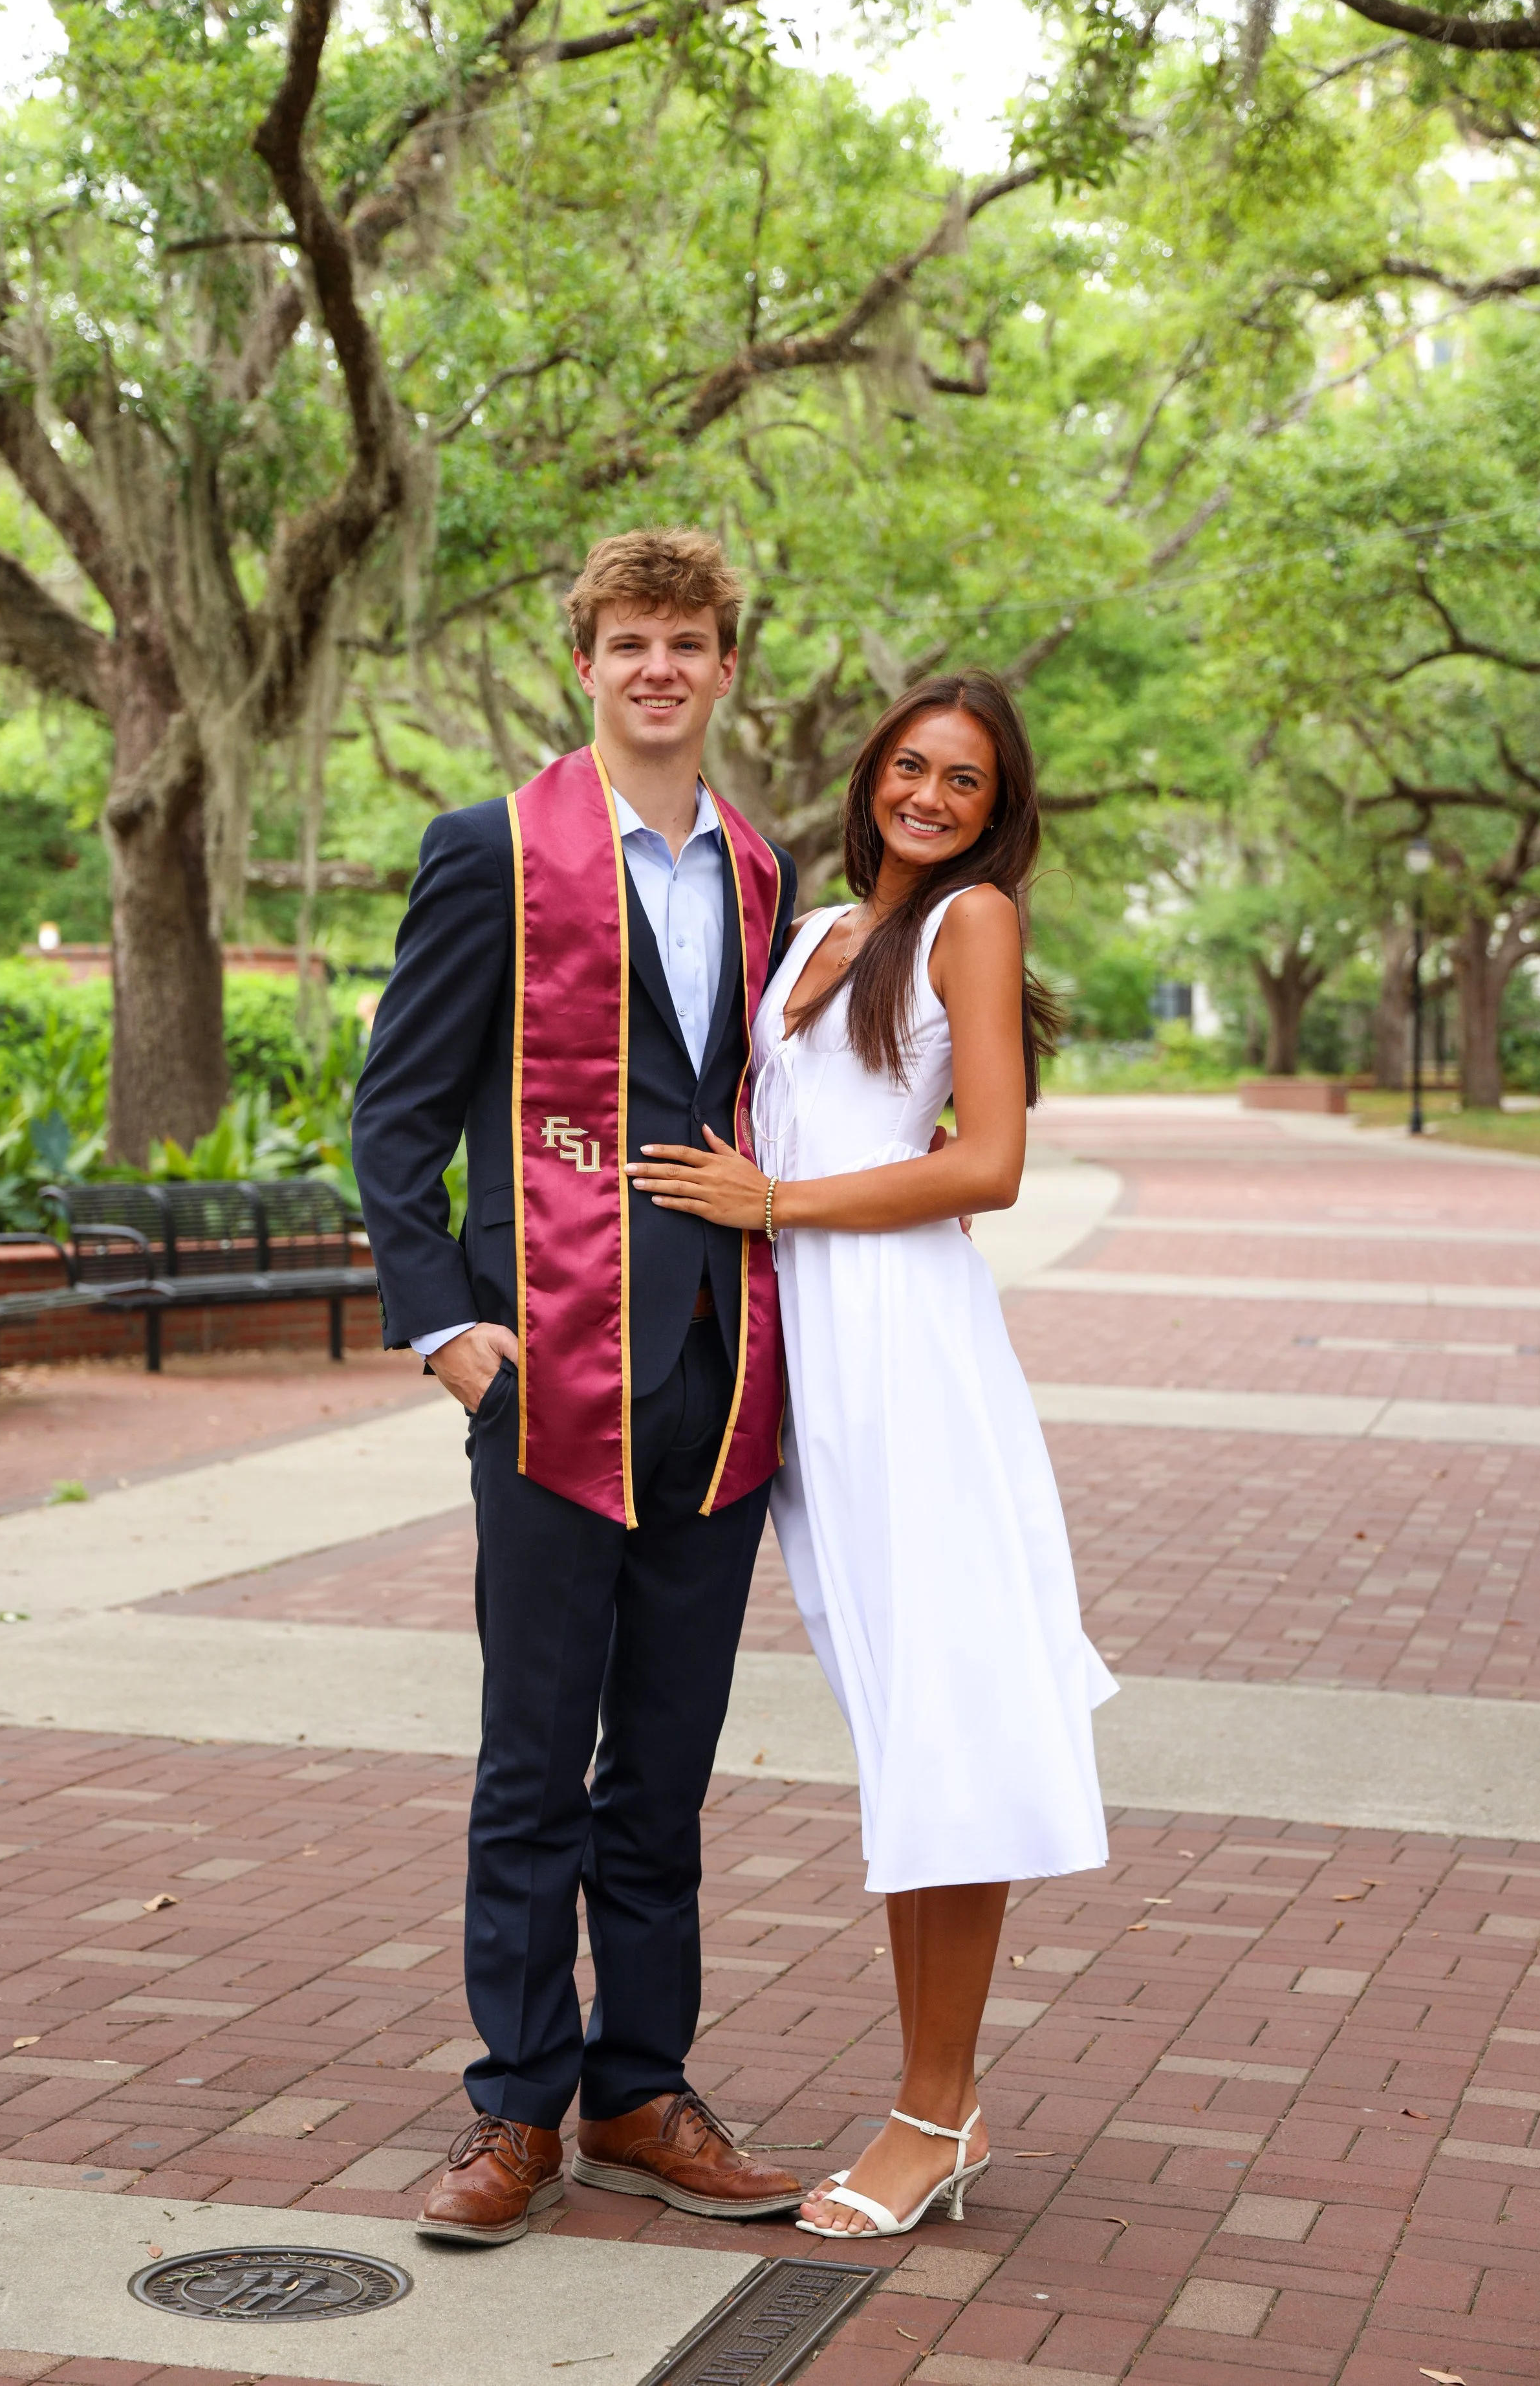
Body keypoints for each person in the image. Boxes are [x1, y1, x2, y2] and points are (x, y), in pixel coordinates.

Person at [351, 528, 803, 2246]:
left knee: (662, 1770)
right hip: (544, 1375)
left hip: (718, 1373)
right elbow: (399, 1109)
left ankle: (638, 2085)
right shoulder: (492, 850)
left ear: (724, 666)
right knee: (533, 1763)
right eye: (630, 641)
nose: (658, 667)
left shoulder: (759, 871)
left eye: (687, 640)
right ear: (587, 663)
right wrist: (442, 1327)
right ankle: (517, 2103)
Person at [625, 669, 1115, 2241]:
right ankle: (938, 2100)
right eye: (910, 764)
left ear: (997, 809)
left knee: (945, 1728)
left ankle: (927, 2112)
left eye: (962, 780)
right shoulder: (821, 926)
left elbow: (990, 1161)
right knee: (902, 1734)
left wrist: (775, 1203)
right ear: (870, 772)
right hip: (812, 1367)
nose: (927, 795)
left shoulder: (973, 920)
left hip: (905, 1355)